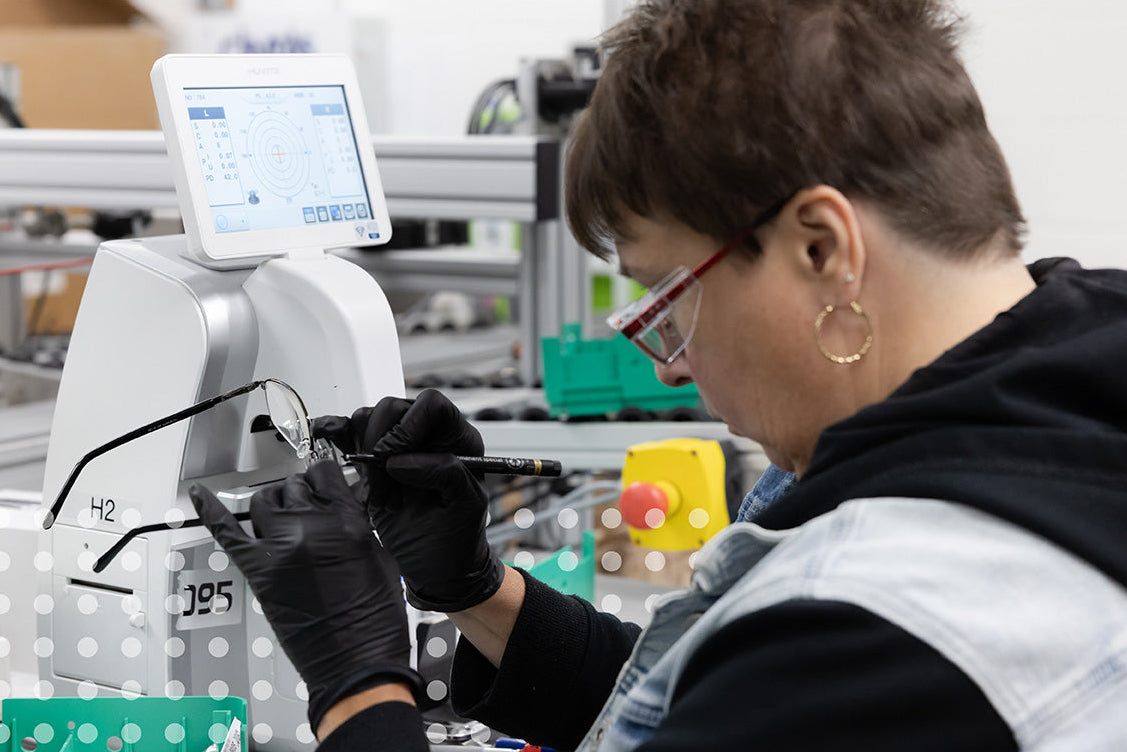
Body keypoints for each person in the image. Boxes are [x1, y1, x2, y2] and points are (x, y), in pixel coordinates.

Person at [190, 0, 1127, 749]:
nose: (674, 366)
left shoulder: (890, 621)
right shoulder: (1061, 403)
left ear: (820, 247)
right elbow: (712, 701)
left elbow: (783, 694)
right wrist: (475, 590)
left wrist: (358, 685)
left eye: (668, 302)